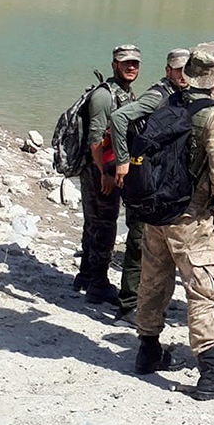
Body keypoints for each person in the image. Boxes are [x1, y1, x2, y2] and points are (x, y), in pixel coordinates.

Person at [132, 42, 214, 400]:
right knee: (203, 289)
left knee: (153, 279)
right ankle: (211, 371)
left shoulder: (168, 103)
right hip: (191, 217)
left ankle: (147, 350)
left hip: (157, 211)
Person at [108, 48, 190, 326]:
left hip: (163, 180)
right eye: (179, 70)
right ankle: (128, 304)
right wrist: (122, 162)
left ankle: (149, 303)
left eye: (187, 70)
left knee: (159, 244)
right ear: (168, 70)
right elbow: (119, 119)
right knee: (138, 240)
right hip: (144, 179)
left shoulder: (183, 96)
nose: (183, 75)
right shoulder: (157, 96)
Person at [73, 44, 140, 304]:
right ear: (114, 65)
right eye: (125, 63)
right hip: (99, 169)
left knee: (94, 221)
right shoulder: (104, 96)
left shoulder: (123, 92)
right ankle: (99, 283)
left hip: (105, 167)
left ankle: (86, 275)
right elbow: (94, 139)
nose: (131, 67)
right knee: (105, 223)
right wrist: (105, 172)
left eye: (135, 63)